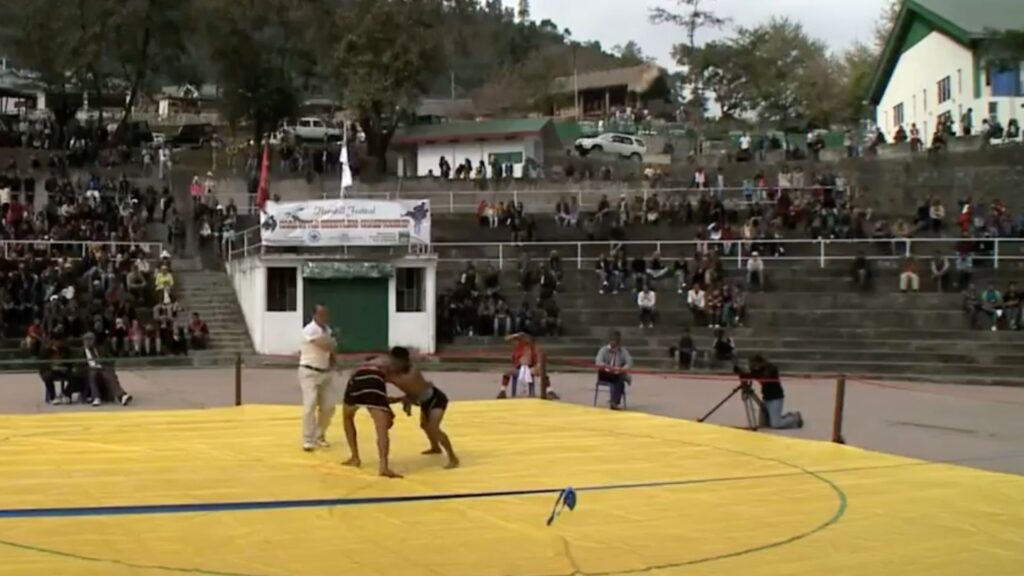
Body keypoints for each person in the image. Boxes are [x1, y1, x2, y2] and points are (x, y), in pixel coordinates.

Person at [384, 347, 459, 469]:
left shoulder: (411, 373)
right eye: (391, 362)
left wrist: (398, 400)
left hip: (436, 399)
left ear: (404, 362)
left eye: (394, 363)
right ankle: (435, 447)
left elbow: (414, 395)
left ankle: (453, 458)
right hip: (424, 401)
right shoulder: (393, 374)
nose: (392, 365)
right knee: (424, 426)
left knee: (433, 428)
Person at [341, 351, 404, 478]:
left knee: (347, 418)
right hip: (373, 382)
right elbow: (384, 391)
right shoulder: (388, 363)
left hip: (355, 382)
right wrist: (407, 396)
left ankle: (355, 457)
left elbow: (373, 397)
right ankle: (383, 466)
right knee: (381, 430)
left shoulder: (362, 366)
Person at [298, 304, 337, 452]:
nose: (324, 317)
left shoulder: (327, 330)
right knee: (310, 405)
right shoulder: (310, 330)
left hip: (325, 372)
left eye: (325, 314)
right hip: (309, 372)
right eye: (320, 314)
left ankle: (319, 435)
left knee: (329, 406)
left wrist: (335, 362)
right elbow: (326, 346)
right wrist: (332, 344)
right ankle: (307, 439)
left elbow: (332, 349)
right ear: (314, 315)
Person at [497, 332, 558, 399]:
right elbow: (507, 339)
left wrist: (537, 366)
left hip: (530, 368)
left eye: (528, 338)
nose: (527, 339)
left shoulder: (533, 348)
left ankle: (550, 391)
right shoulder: (518, 346)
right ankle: (502, 391)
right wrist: (517, 335)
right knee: (507, 372)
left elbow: (539, 359)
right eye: (525, 338)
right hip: (519, 368)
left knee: (542, 373)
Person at [749, 354, 803, 429]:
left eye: (756, 365)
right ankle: (786, 416)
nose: (755, 367)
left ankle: (795, 417)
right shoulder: (758, 370)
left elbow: (764, 379)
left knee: (775, 424)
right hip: (766, 399)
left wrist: (754, 374)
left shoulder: (771, 368)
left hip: (775, 399)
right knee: (763, 425)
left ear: (760, 362)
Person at [81, 332, 133, 407]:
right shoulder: (80, 352)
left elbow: (108, 359)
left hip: (101, 369)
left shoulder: (99, 349)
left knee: (107, 371)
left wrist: (103, 364)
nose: (90, 342)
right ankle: (96, 397)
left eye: (91, 339)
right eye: (87, 340)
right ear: (84, 341)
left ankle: (121, 396)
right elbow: (78, 365)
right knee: (93, 372)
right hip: (88, 371)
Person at [595, 331, 632, 410]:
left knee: (620, 380)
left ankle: (614, 402)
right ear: (611, 341)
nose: (616, 344)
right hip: (605, 373)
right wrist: (607, 367)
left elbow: (629, 362)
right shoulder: (603, 350)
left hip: (617, 374)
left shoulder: (623, 351)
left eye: (617, 342)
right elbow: (598, 362)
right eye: (614, 341)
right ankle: (625, 378)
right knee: (620, 378)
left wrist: (623, 368)